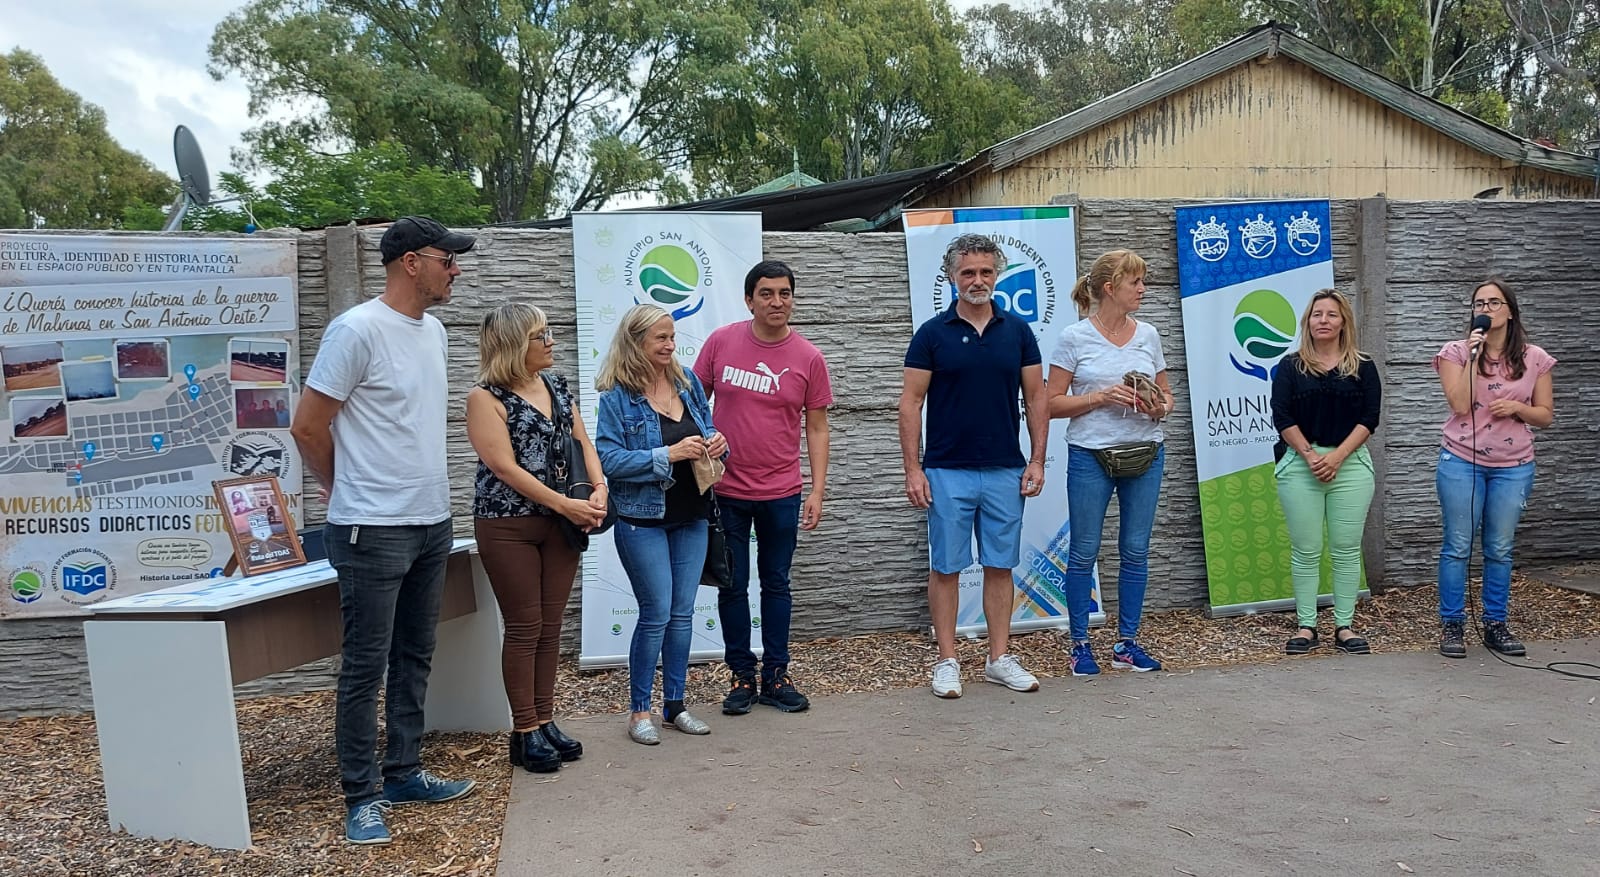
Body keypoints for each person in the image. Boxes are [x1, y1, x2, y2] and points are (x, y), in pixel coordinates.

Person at [290, 215, 478, 845]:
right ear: (409, 263)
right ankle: (361, 795)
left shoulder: (435, 334)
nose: (455, 268)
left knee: (415, 655)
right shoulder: (356, 330)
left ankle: (403, 772)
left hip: (431, 520)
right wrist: (342, 487)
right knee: (365, 665)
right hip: (371, 524)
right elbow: (308, 426)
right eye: (446, 258)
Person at [899, 233, 1048, 699]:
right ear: (951, 276)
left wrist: (1038, 459)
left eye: (985, 272)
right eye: (968, 272)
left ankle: (998, 658)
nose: (977, 280)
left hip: (1006, 468)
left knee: (1000, 566)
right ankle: (947, 660)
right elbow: (910, 404)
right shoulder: (931, 334)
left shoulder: (1019, 332)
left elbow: (1037, 397)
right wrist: (913, 469)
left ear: (996, 274)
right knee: (945, 568)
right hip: (946, 470)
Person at [466, 303, 607, 773]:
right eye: (540, 335)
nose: (550, 342)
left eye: (548, 333)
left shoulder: (558, 386)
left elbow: (584, 443)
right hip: (508, 525)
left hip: (560, 525)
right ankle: (523, 731)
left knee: (550, 625)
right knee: (525, 626)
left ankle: (545, 720)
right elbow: (502, 467)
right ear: (512, 344)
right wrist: (563, 503)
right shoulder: (484, 398)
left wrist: (600, 488)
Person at [692, 260, 833, 716]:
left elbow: (817, 427)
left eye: (785, 293)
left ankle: (776, 675)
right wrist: (700, 450)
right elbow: (694, 402)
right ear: (749, 299)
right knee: (731, 585)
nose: (777, 302)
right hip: (726, 491)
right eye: (767, 293)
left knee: (776, 583)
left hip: (781, 491)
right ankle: (741, 676)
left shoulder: (808, 357)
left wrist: (816, 490)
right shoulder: (721, 343)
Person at [595, 304, 728, 744]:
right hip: (642, 520)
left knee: (682, 614)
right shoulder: (616, 395)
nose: (671, 345)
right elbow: (609, 460)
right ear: (635, 343)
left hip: (692, 515)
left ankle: (675, 705)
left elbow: (706, 432)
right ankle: (639, 712)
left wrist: (717, 443)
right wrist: (667, 456)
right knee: (655, 614)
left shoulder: (686, 381)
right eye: (660, 339)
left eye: (672, 337)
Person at [1045, 249, 1174, 676]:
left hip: (1145, 452)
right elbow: (1051, 404)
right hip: (1090, 456)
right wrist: (1101, 396)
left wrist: (1157, 406)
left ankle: (1127, 643)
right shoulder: (1074, 337)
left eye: (1143, 281)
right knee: (1084, 552)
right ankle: (1080, 644)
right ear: (1109, 288)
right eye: (1135, 282)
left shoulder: (1149, 335)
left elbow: (1168, 397)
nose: (1143, 289)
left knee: (1136, 551)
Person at [1433, 278, 1555, 659]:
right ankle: (1453, 625)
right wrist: (1474, 355)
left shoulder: (1534, 358)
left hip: (1514, 467)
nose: (1485, 309)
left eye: (1493, 302)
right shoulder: (1455, 352)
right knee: (1457, 546)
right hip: (1461, 462)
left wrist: (1518, 408)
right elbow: (1459, 404)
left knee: (1499, 548)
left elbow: (1545, 416)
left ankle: (1495, 624)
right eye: (1479, 303)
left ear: (1510, 311)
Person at [1270, 290, 1381, 655]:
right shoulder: (1289, 367)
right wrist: (1309, 455)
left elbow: (1370, 418)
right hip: (1301, 466)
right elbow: (1282, 416)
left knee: (1347, 549)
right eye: (1317, 314)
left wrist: (1337, 457)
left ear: (1343, 322)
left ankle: (1344, 626)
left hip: (1350, 467)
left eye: (1331, 314)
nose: (1323, 320)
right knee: (1306, 549)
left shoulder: (1363, 367)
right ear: (1307, 322)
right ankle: (1306, 626)